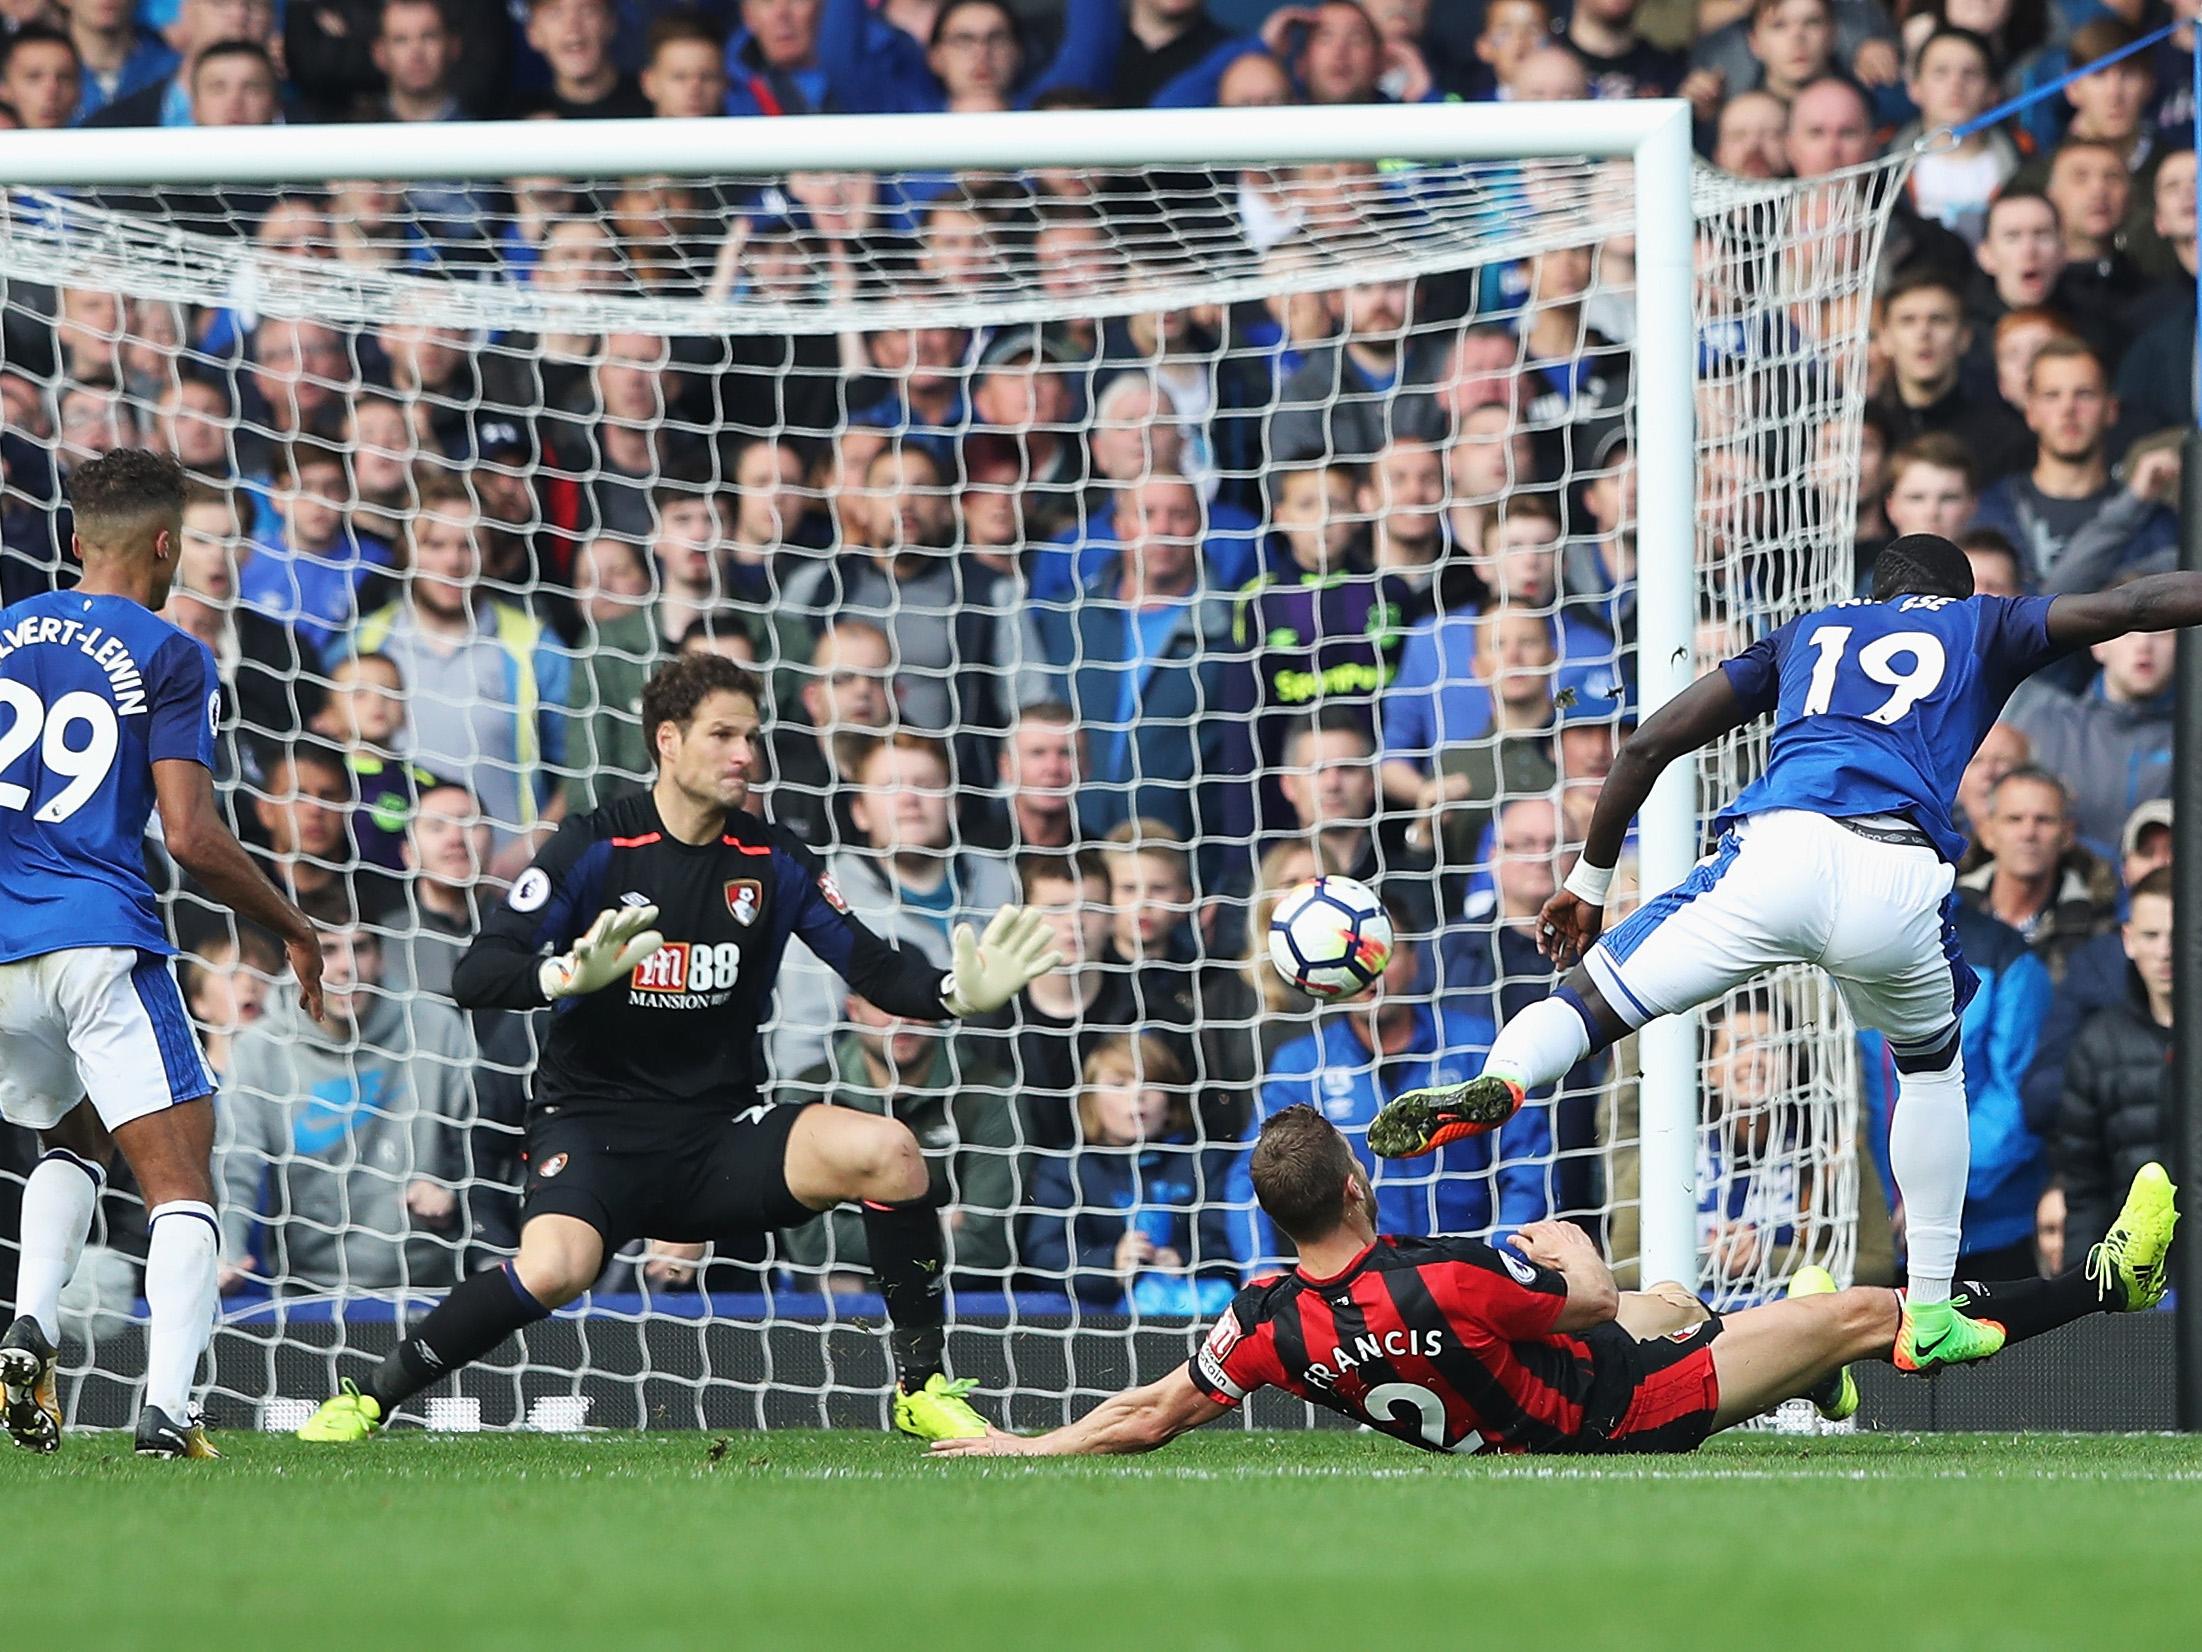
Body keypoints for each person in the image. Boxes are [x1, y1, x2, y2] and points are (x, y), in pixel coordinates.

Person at [1363, 535, 2202, 1370]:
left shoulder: (1809, 631)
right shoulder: (1988, 622)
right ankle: (1936, 1307)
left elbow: (1650, 743)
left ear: (1878, 594)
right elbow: (2130, 607)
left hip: (1779, 856)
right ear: (1961, 589)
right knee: (1932, 1070)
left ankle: (1506, 1077)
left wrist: (1587, 881)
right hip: (1897, 873)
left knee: (1591, 1002)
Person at [291, 653, 1061, 1446]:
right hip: (594, 1127)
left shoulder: (773, 858)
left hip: (719, 1136)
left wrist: (951, 995)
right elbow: (478, 972)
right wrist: (561, 972)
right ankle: (371, 1397)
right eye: (723, 735)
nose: (744, 755)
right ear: (668, 740)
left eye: (753, 737)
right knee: (555, 1269)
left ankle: (920, 1387)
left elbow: (874, 969)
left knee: (894, 1153)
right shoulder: (596, 844)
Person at [933, 1106, 2177, 1460]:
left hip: (1548, 1384)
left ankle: (1805, 1367)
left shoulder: (1267, 1323)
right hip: (1612, 1408)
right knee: (1860, 1310)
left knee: (1679, 1297)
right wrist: (1560, 1230)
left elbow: (1152, 1411)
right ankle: (2106, 1286)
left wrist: (1025, 1446)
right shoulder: (1451, 1279)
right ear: (1356, 1189)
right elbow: (1582, 1292)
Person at [0, 449, 323, 1460]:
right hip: (99, 936)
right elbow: (189, 835)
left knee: (76, 1133)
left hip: (4, 949)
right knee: (183, 1179)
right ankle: (170, 1415)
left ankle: (30, 1324)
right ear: (169, 545)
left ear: (72, 540)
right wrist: (293, 922)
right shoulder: (171, 651)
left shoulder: (5, 633)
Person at [216, 910, 475, 1294]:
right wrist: (227, 1251)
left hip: (435, 1287)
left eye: (360, 949)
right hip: (307, 1293)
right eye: (328, 950)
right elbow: (235, 1164)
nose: (345, 968)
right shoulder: (260, 1050)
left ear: (382, 957)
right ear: (296, 959)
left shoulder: (437, 1027)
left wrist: (455, 1195)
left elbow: (485, 1143)